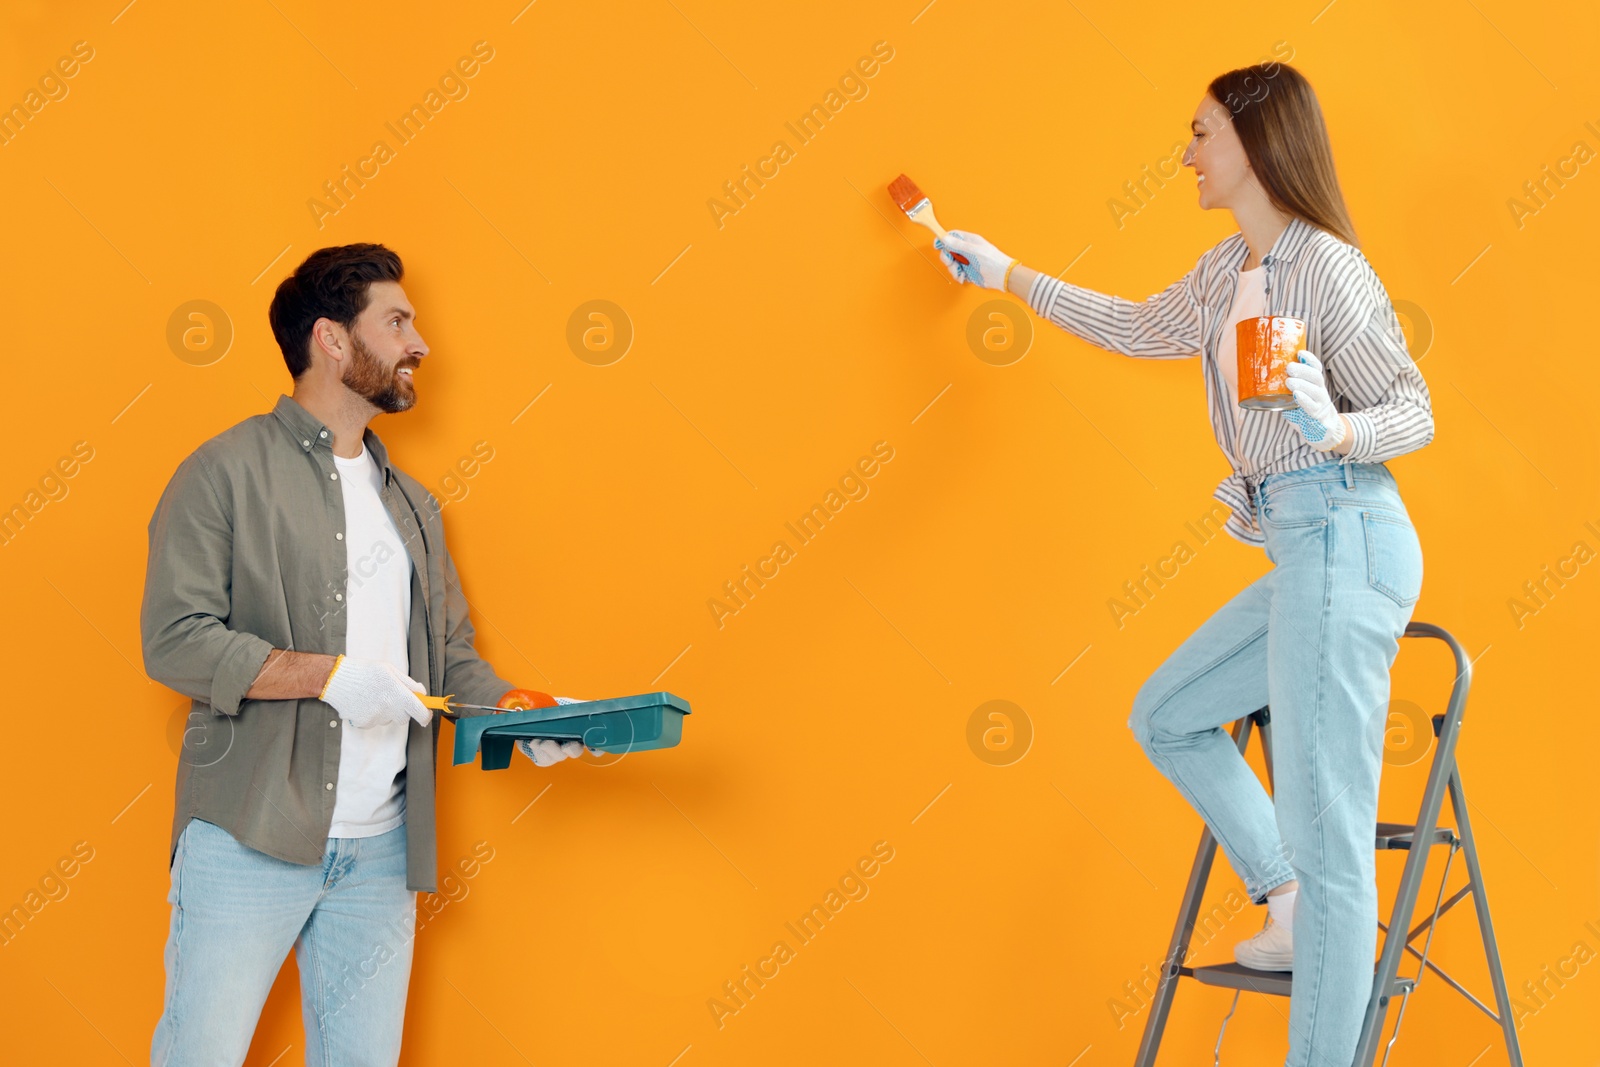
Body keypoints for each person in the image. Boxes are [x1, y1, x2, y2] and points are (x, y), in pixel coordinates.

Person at [932, 64, 1431, 1066]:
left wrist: (1333, 425)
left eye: (1200, 133)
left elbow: (1413, 411)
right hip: (1301, 545)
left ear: (1253, 141)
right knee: (1167, 712)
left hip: (1346, 528)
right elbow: (1135, 327)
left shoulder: (1328, 267)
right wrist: (1003, 272)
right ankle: (1281, 899)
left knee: (1337, 849)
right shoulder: (1225, 273)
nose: (1186, 154)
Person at [141, 243, 589, 1065]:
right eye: (397, 321)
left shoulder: (411, 505)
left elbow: (449, 658)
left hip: (383, 852)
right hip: (249, 837)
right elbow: (175, 639)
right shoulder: (221, 474)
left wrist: (523, 716)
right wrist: (333, 677)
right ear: (334, 340)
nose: (420, 344)